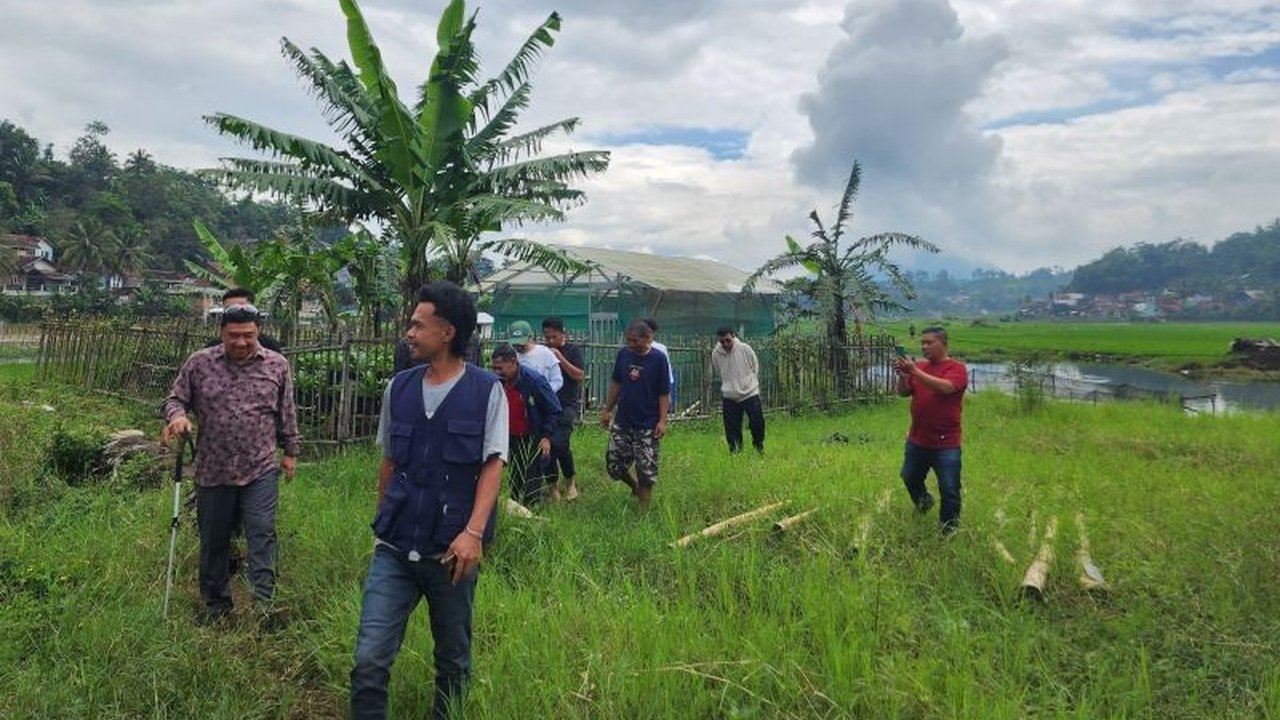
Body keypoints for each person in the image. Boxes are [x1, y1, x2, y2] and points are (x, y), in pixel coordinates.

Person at [351, 281, 508, 720]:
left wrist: (473, 534)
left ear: (448, 332)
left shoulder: (485, 390)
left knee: (453, 661)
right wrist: (383, 521)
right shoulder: (397, 388)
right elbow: (388, 461)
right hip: (396, 550)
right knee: (368, 661)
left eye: (418, 325)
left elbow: (493, 465)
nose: (409, 332)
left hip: (450, 553)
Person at [161, 303, 300, 626]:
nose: (241, 342)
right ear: (221, 334)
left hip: (260, 467)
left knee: (262, 533)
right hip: (213, 468)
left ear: (258, 332)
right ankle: (216, 607)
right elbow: (175, 399)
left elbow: (287, 411)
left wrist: (291, 451)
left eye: (248, 335)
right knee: (214, 539)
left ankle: (264, 606)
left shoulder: (277, 365)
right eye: (233, 336)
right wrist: (178, 417)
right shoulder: (200, 363)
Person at [893, 326, 968, 534]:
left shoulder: (956, 368)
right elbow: (903, 393)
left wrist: (914, 371)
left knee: (950, 488)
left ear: (944, 344)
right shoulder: (920, 367)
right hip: (918, 440)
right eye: (922, 343)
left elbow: (946, 388)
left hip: (946, 443)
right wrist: (902, 376)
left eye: (929, 342)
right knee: (909, 477)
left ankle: (948, 530)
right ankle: (924, 502)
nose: (924, 346)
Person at [600, 319, 670, 508]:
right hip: (623, 420)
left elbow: (664, 392)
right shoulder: (624, 354)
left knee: (646, 469)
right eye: (628, 340)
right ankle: (635, 487)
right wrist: (607, 410)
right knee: (614, 465)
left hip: (647, 422)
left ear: (647, 338)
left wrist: (662, 420)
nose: (631, 344)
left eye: (635, 341)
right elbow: (617, 384)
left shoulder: (658, 359)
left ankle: (643, 512)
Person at [490, 343, 561, 506]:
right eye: (494, 368)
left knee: (531, 483)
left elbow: (554, 409)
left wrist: (546, 436)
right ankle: (517, 512)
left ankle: (533, 516)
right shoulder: (497, 382)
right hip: (510, 437)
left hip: (532, 438)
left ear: (514, 362)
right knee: (514, 481)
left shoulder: (534, 381)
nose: (497, 372)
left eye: (501, 368)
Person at [540, 317, 585, 501]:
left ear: (562, 333)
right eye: (547, 337)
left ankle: (571, 482)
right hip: (546, 406)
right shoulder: (542, 352)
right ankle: (552, 487)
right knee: (546, 447)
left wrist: (560, 358)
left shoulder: (573, 350)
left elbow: (579, 375)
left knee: (560, 443)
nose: (550, 341)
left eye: (554, 337)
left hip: (566, 405)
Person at [711, 326, 765, 454]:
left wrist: (749, 383)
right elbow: (718, 372)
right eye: (722, 342)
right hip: (730, 396)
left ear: (733, 336)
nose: (725, 344)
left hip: (750, 393)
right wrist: (729, 386)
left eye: (728, 340)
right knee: (732, 428)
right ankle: (736, 452)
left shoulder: (745, 349)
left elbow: (754, 366)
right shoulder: (716, 354)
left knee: (757, 423)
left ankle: (759, 447)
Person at [205, 288, 283, 353]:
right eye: (231, 309)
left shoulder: (270, 346)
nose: (238, 313)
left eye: (242, 308)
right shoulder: (210, 350)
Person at [507, 320, 563, 393]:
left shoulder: (545, 353)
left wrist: (545, 392)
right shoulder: (511, 355)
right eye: (515, 344)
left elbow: (557, 380)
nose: (518, 346)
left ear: (530, 337)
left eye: (521, 343)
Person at [642, 317, 677, 410]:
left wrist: (669, 393)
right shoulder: (634, 347)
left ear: (653, 332)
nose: (646, 334)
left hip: (656, 387)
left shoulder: (660, 348)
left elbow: (667, 372)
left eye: (649, 331)